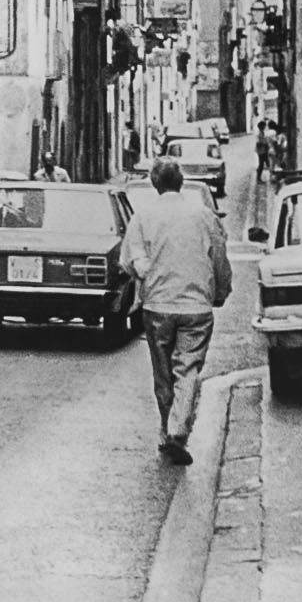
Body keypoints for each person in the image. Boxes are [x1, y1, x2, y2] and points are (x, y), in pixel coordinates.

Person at [119, 157, 232, 466]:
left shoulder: (143, 215)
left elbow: (130, 259)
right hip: (196, 306)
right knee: (188, 369)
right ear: (181, 182)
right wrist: (221, 291)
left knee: (163, 373)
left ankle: (168, 429)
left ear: (156, 184)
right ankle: (176, 431)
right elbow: (219, 257)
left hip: (157, 305)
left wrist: (148, 272)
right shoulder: (203, 215)